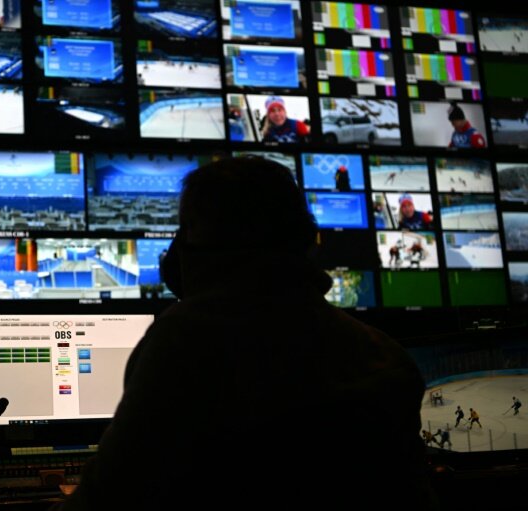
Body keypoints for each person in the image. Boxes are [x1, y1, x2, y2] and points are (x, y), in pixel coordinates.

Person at [49, 156, 438, 510]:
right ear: (303, 243)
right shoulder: (385, 357)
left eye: (183, 234)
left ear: (196, 250)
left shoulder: (184, 342)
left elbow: (102, 507)